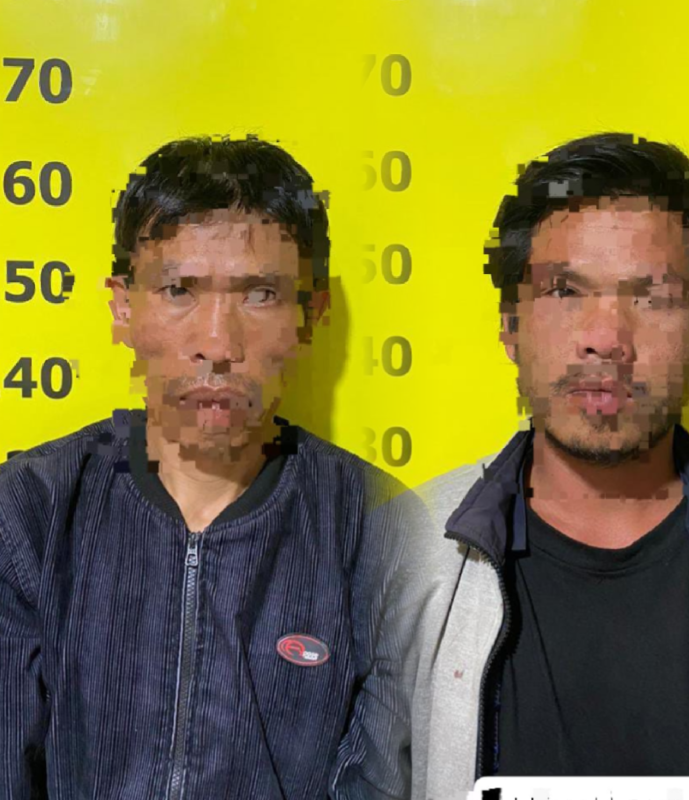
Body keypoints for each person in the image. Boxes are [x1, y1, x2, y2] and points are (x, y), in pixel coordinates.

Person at [0, 135, 418, 799]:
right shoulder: (31, 510)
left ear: (310, 317)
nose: (218, 344)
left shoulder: (381, 532)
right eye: (178, 290)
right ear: (122, 306)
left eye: (260, 294)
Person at [413, 133, 689, 800]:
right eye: (564, 290)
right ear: (510, 324)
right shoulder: (395, 562)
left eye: (652, 297)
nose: (605, 339)